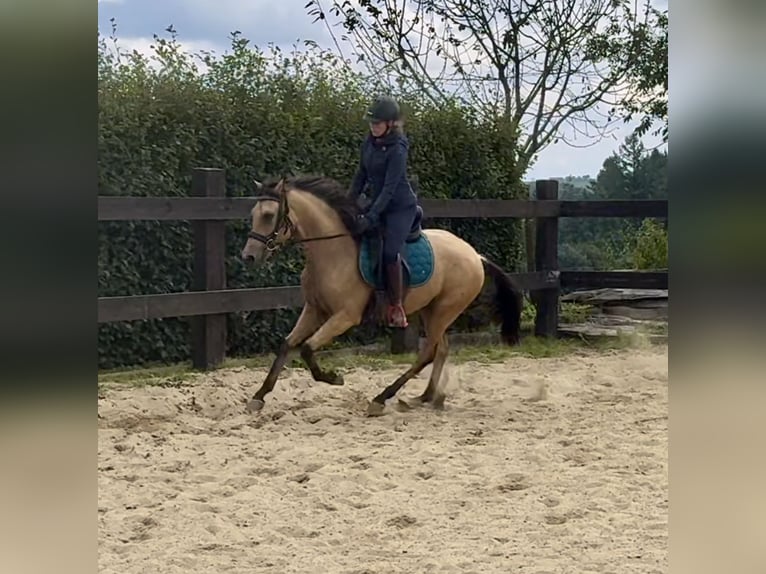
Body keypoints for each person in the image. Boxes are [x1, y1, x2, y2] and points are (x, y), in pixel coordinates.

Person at [349, 95, 418, 328]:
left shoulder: (398, 148)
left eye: (377, 123)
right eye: (371, 123)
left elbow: (389, 189)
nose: (373, 127)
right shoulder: (369, 142)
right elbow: (361, 176)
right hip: (378, 202)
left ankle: (397, 306)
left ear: (390, 124)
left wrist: (371, 216)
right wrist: (347, 204)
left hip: (399, 207)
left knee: (390, 252)